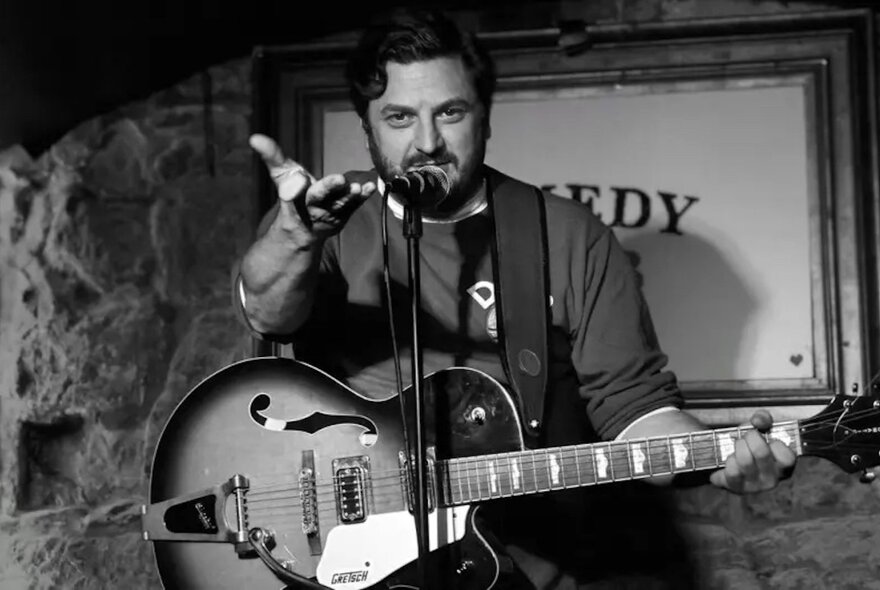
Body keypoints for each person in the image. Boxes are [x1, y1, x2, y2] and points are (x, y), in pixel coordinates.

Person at [234, 8, 796, 589]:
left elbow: (636, 412)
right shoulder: (327, 223)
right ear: (368, 128)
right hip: (345, 557)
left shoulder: (567, 235)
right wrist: (295, 237)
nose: (427, 143)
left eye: (450, 112)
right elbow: (267, 315)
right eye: (399, 117)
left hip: (518, 563)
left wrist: (721, 457)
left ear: (485, 118)